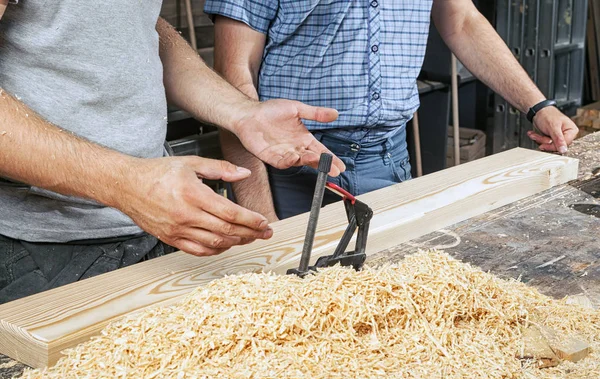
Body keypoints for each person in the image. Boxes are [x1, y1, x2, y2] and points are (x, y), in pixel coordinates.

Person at [0, 1, 345, 303]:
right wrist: (127, 183)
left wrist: (241, 112)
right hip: (46, 250)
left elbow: (142, 29)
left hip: (153, 233)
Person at [206, 0, 579, 221]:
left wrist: (538, 105)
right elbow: (235, 83)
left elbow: (463, 21)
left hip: (388, 159)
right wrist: (262, 216)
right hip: (292, 165)